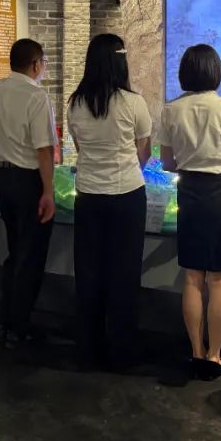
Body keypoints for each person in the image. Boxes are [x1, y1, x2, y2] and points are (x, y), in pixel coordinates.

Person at [156, 45, 221, 381]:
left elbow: (167, 162)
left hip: (189, 194)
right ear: (215, 72)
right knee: (219, 279)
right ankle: (214, 356)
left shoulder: (171, 110)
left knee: (193, 277)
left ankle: (196, 352)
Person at [66, 34, 152, 371]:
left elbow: (80, 148)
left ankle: (88, 349)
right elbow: (143, 151)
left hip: (88, 196)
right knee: (124, 274)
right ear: (120, 61)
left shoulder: (75, 103)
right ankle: (122, 351)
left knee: (89, 273)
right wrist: (126, 168)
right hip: (127, 196)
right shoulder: (133, 103)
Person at [0, 38, 57, 349]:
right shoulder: (36, 96)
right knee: (30, 256)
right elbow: (44, 148)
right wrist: (49, 191)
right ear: (36, 64)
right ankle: (19, 327)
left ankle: (6, 322)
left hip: (1, 177)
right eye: (44, 63)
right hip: (28, 180)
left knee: (16, 251)